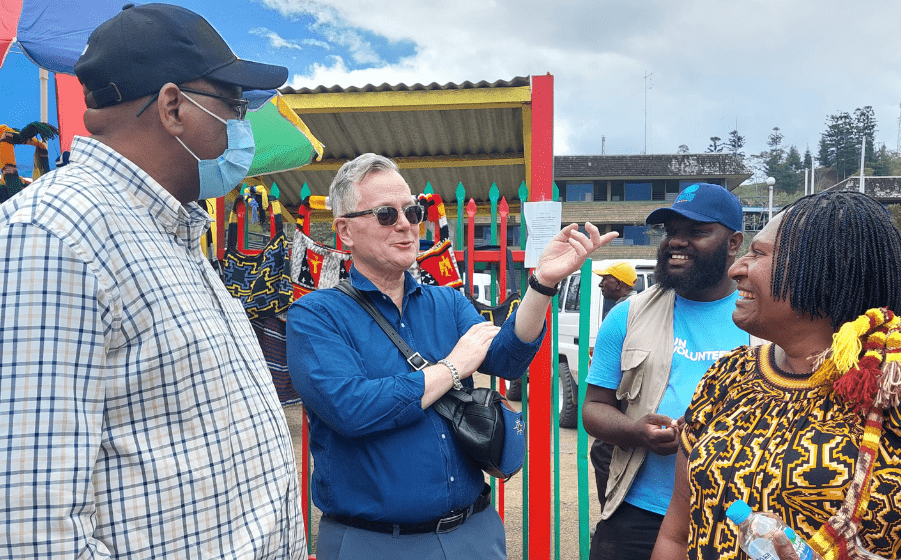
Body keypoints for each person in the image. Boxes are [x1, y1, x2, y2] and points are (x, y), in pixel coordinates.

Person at [0, 4, 307, 557]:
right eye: (234, 106)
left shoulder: (171, 231)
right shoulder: (52, 236)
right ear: (172, 108)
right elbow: (32, 529)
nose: (242, 130)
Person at [285, 153, 617, 560]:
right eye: (387, 214)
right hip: (372, 542)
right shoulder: (316, 315)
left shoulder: (446, 302)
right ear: (346, 231)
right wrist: (452, 367)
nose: (406, 223)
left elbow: (507, 359)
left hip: (472, 534)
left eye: (412, 210)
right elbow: (352, 408)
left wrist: (543, 284)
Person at [651, 191, 901, 560]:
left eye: (759, 254)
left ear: (827, 269)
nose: (737, 268)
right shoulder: (729, 373)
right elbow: (676, 535)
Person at [581, 183, 750, 560]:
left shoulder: (763, 318)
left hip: (736, 518)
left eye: (697, 232)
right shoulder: (629, 315)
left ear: (734, 242)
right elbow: (593, 407)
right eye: (672, 232)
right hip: (639, 513)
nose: (677, 242)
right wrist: (635, 431)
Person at [588, 260, 640, 512]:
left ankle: (611, 509)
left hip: (625, 397)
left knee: (603, 450)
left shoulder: (627, 311)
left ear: (617, 283)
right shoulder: (635, 307)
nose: (600, 283)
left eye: (605, 278)